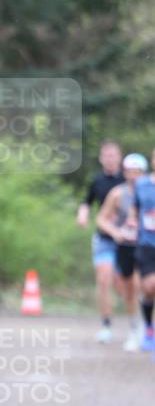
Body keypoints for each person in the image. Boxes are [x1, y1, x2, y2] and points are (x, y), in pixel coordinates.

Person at [96, 154, 148, 351]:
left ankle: (146, 326)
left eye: (137, 172)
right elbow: (101, 219)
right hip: (126, 246)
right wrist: (116, 233)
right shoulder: (117, 194)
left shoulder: (150, 191)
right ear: (124, 173)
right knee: (130, 289)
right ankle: (135, 328)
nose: (133, 176)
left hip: (147, 246)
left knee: (146, 285)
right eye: (130, 172)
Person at [76, 141, 123, 342]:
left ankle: (139, 321)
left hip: (129, 239)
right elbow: (87, 202)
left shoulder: (129, 179)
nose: (110, 159)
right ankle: (106, 325)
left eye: (113, 155)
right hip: (104, 238)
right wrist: (82, 215)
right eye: (106, 155)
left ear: (120, 157)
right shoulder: (97, 180)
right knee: (103, 279)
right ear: (102, 158)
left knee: (124, 285)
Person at [131, 147, 155, 353]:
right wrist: (131, 219)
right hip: (147, 243)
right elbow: (135, 208)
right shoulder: (142, 184)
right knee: (149, 287)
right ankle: (148, 327)